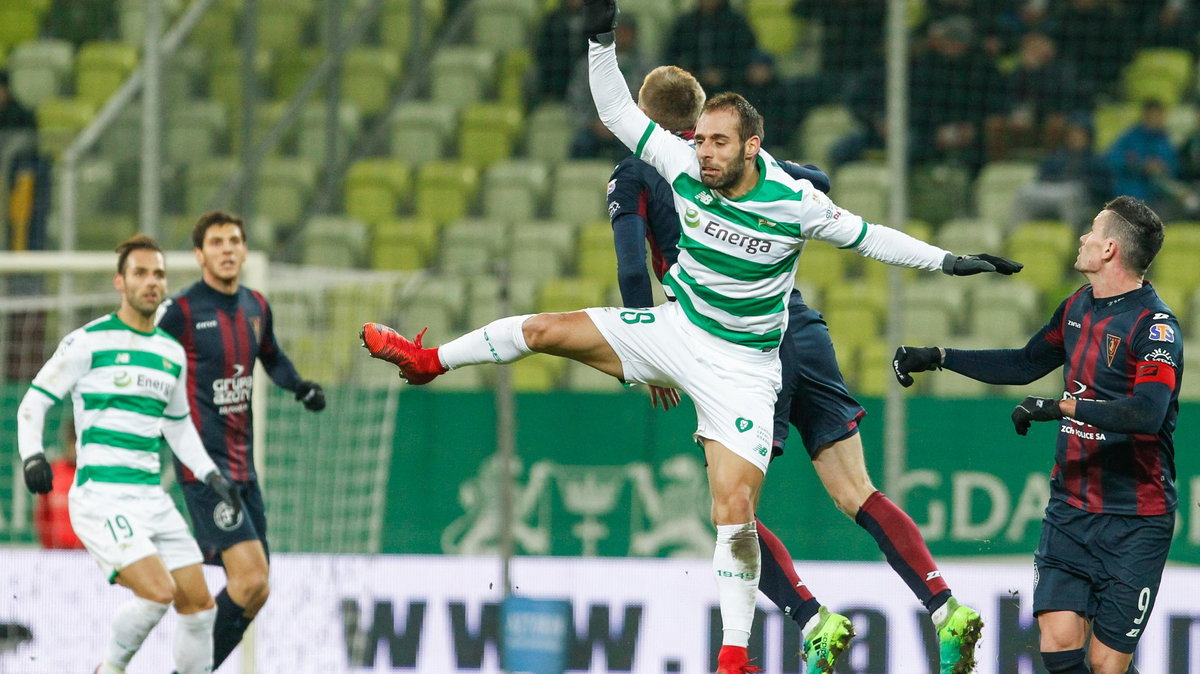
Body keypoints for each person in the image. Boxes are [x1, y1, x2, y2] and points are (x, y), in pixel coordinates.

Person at [361, 3, 1024, 671]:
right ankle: (427, 361)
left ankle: (737, 654)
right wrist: (600, 38)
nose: (702, 153)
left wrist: (950, 260)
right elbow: (617, 112)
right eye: (698, 140)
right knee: (541, 328)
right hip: (677, 329)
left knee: (732, 509)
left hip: (747, 364)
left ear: (750, 146)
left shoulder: (794, 203)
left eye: (717, 143)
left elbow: (872, 238)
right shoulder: (676, 163)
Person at [608, 62, 992, 674]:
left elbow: (633, 267)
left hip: (732, 345)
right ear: (699, 117)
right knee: (855, 491)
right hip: (800, 327)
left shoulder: (639, 171)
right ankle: (946, 608)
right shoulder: (744, 163)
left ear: (645, 118)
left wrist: (639, 339)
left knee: (734, 512)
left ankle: (814, 621)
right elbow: (816, 179)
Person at [894, 196, 1180, 674]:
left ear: (1110, 248)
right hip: (1070, 508)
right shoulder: (1076, 307)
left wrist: (1062, 406)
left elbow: (1147, 413)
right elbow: (1026, 364)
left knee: (1107, 665)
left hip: (1136, 520)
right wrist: (941, 355)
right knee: (1057, 644)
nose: (1083, 237)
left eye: (1092, 230)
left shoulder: (1155, 328)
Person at [16, 234, 241, 674]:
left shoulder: (170, 353)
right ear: (120, 282)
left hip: (151, 499)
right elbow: (34, 402)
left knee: (200, 606)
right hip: (102, 497)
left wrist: (213, 475)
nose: (151, 281)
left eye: (158, 273)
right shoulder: (88, 341)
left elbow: (176, 426)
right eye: (140, 273)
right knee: (158, 591)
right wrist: (33, 456)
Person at [157, 211, 327, 669]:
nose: (227, 249)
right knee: (250, 578)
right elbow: (148, 368)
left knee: (258, 588)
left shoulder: (255, 306)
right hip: (204, 471)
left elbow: (272, 356)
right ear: (199, 255)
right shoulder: (182, 311)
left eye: (234, 240)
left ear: (245, 250)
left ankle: (195, 667)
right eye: (216, 242)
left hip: (244, 471)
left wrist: (300, 386)